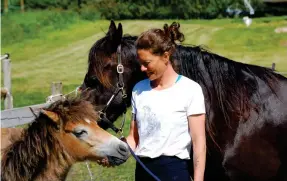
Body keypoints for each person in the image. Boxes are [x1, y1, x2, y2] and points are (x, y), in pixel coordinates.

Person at [126, 22, 206, 181]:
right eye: (140, 63)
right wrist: (113, 151)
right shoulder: (138, 90)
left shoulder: (190, 89)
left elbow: (199, 144)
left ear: (165, 56)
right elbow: (134, 138)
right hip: (142, 171)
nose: (142, 69)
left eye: (146, 63)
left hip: (174, 171)